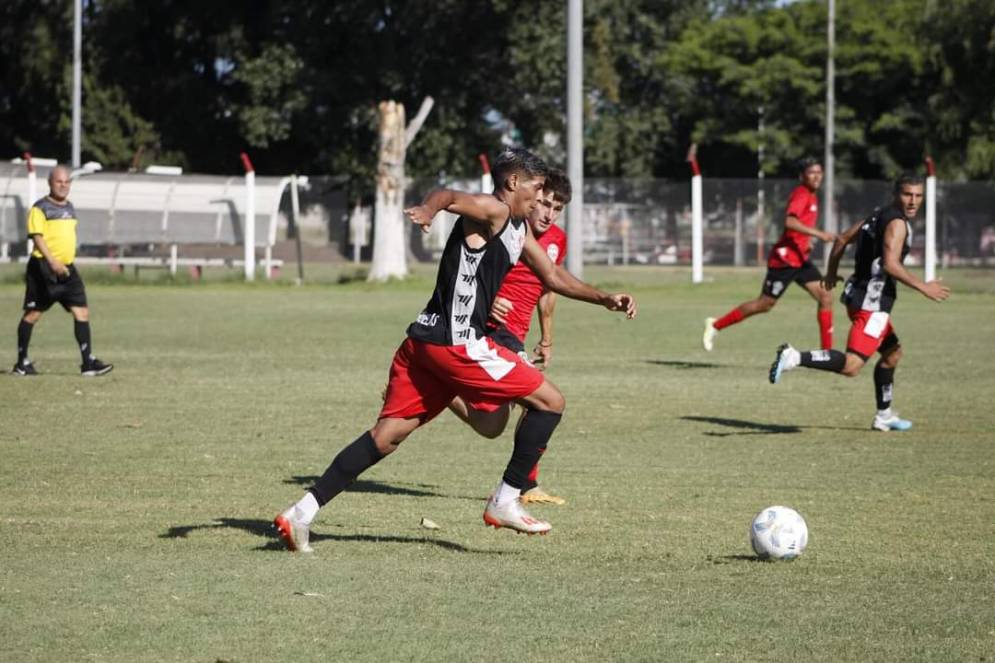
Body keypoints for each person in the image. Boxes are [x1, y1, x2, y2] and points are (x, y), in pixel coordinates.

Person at [273, 148, 636, 552]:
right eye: (536, 188)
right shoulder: (493, 210)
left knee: (386, 437)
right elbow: (446, 195)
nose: (539, 198)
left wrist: (603, 297)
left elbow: (551, 275)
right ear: (513, 183)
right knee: (550, 402)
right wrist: (429, 211)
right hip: (458, 343)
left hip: (422, 343)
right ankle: (505, 500)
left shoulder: (518, 227)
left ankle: (301, 513)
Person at [768, 173, 950, 431]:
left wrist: (831, 272)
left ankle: (884, 415)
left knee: (892, 353)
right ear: (896, 194)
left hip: (858, 296)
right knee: (852, 366)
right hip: (872, 304)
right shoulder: (897, 224)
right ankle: (795, 357)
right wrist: (924, 287)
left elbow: (842, 239)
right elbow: (890, 264)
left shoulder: (878, 214)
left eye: (918, 195)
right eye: (908, 194)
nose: (913, 201)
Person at [448, 168, 572, 506]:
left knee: (491, 424)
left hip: (518, 334)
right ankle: (521, 487)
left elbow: (548, 289)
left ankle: (442, 387)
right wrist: (489, 300)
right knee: (542, 401)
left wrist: (547, 337)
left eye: (557, 208)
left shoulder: (558, 240)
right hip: (493, 332)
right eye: (544, 204)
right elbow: (468, 269)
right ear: (531, 198)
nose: (548, 213)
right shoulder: (504, 228)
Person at [703, 157, 836, 352]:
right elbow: (790, 222)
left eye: (819, 172)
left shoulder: (812, 195)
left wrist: (807, 241)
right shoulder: (801, 194)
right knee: (764, 304)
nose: (817, 176)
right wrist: (819, 234)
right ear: (802, 176)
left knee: (826, 296)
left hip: (800, 258)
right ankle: (715, 325)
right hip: (785, 260)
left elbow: (798, 228)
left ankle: (827, 353)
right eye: (811, 172)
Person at [12, 165, 113, 377]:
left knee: (82, 312)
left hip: (68, 270)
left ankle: (87, 363)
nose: (63, 185)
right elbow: (37, 237)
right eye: (59, 181)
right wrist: (53, 262)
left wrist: (65, 262)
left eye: (67, 182)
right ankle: (22, 363)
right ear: (50, 183)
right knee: (33, 314)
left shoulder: (70, 208)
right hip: (44, 268)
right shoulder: (40, 208)